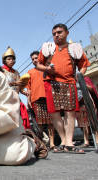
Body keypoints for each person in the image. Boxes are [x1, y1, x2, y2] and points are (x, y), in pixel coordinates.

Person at [35, 23, 90, 153]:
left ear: (67, 33)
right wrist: (47, 69)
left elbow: (84, 64)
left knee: (70, 112)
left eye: (59, 32)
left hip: (70, 82)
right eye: (54, 33)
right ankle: (64, 140)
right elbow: (38, 65)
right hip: (51, 82)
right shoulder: (48, 48)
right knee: (54, 113)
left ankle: (69, 143)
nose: (56, 35)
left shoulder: (75, 48)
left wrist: (80, 76)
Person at [27, 51, 55, 149]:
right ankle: (42, 143)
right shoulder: (30, 72)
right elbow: (28, 88)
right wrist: (28, 100)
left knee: (51, 122)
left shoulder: (47, 69)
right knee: (39, 123)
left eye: (36, 58)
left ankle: (52, 143)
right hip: (36, 99)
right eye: (33, 59)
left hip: (49, 97)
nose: (34, 60)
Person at [1, 46, 30, 129]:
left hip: (16, 98)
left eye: (13, 59)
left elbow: (20, 87)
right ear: (4, 60)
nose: (11, 61)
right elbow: (1, 84)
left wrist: (25, 92)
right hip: (5, 98)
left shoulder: (16, 72)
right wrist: (14, 83)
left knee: (20, 119)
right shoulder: (1, 70)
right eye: (9, 59)